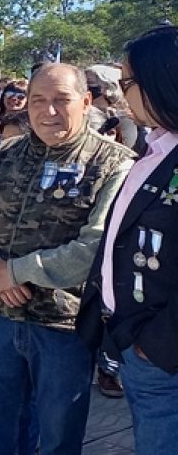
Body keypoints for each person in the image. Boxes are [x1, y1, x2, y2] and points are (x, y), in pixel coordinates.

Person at [0, 63, 133, 454]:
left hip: (63, 326)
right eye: (38, 100)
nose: (48, 111)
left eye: (61, 100)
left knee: (57, 435)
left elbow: (95, 245)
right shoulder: (6, 152)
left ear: (86, 102)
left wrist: (16, 272)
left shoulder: (114, 163)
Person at [77, 25, 178, 455]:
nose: (119, 94)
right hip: (135, 343)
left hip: (162, 353)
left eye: (127, 83)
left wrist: (154, 345)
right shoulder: (155, 149)